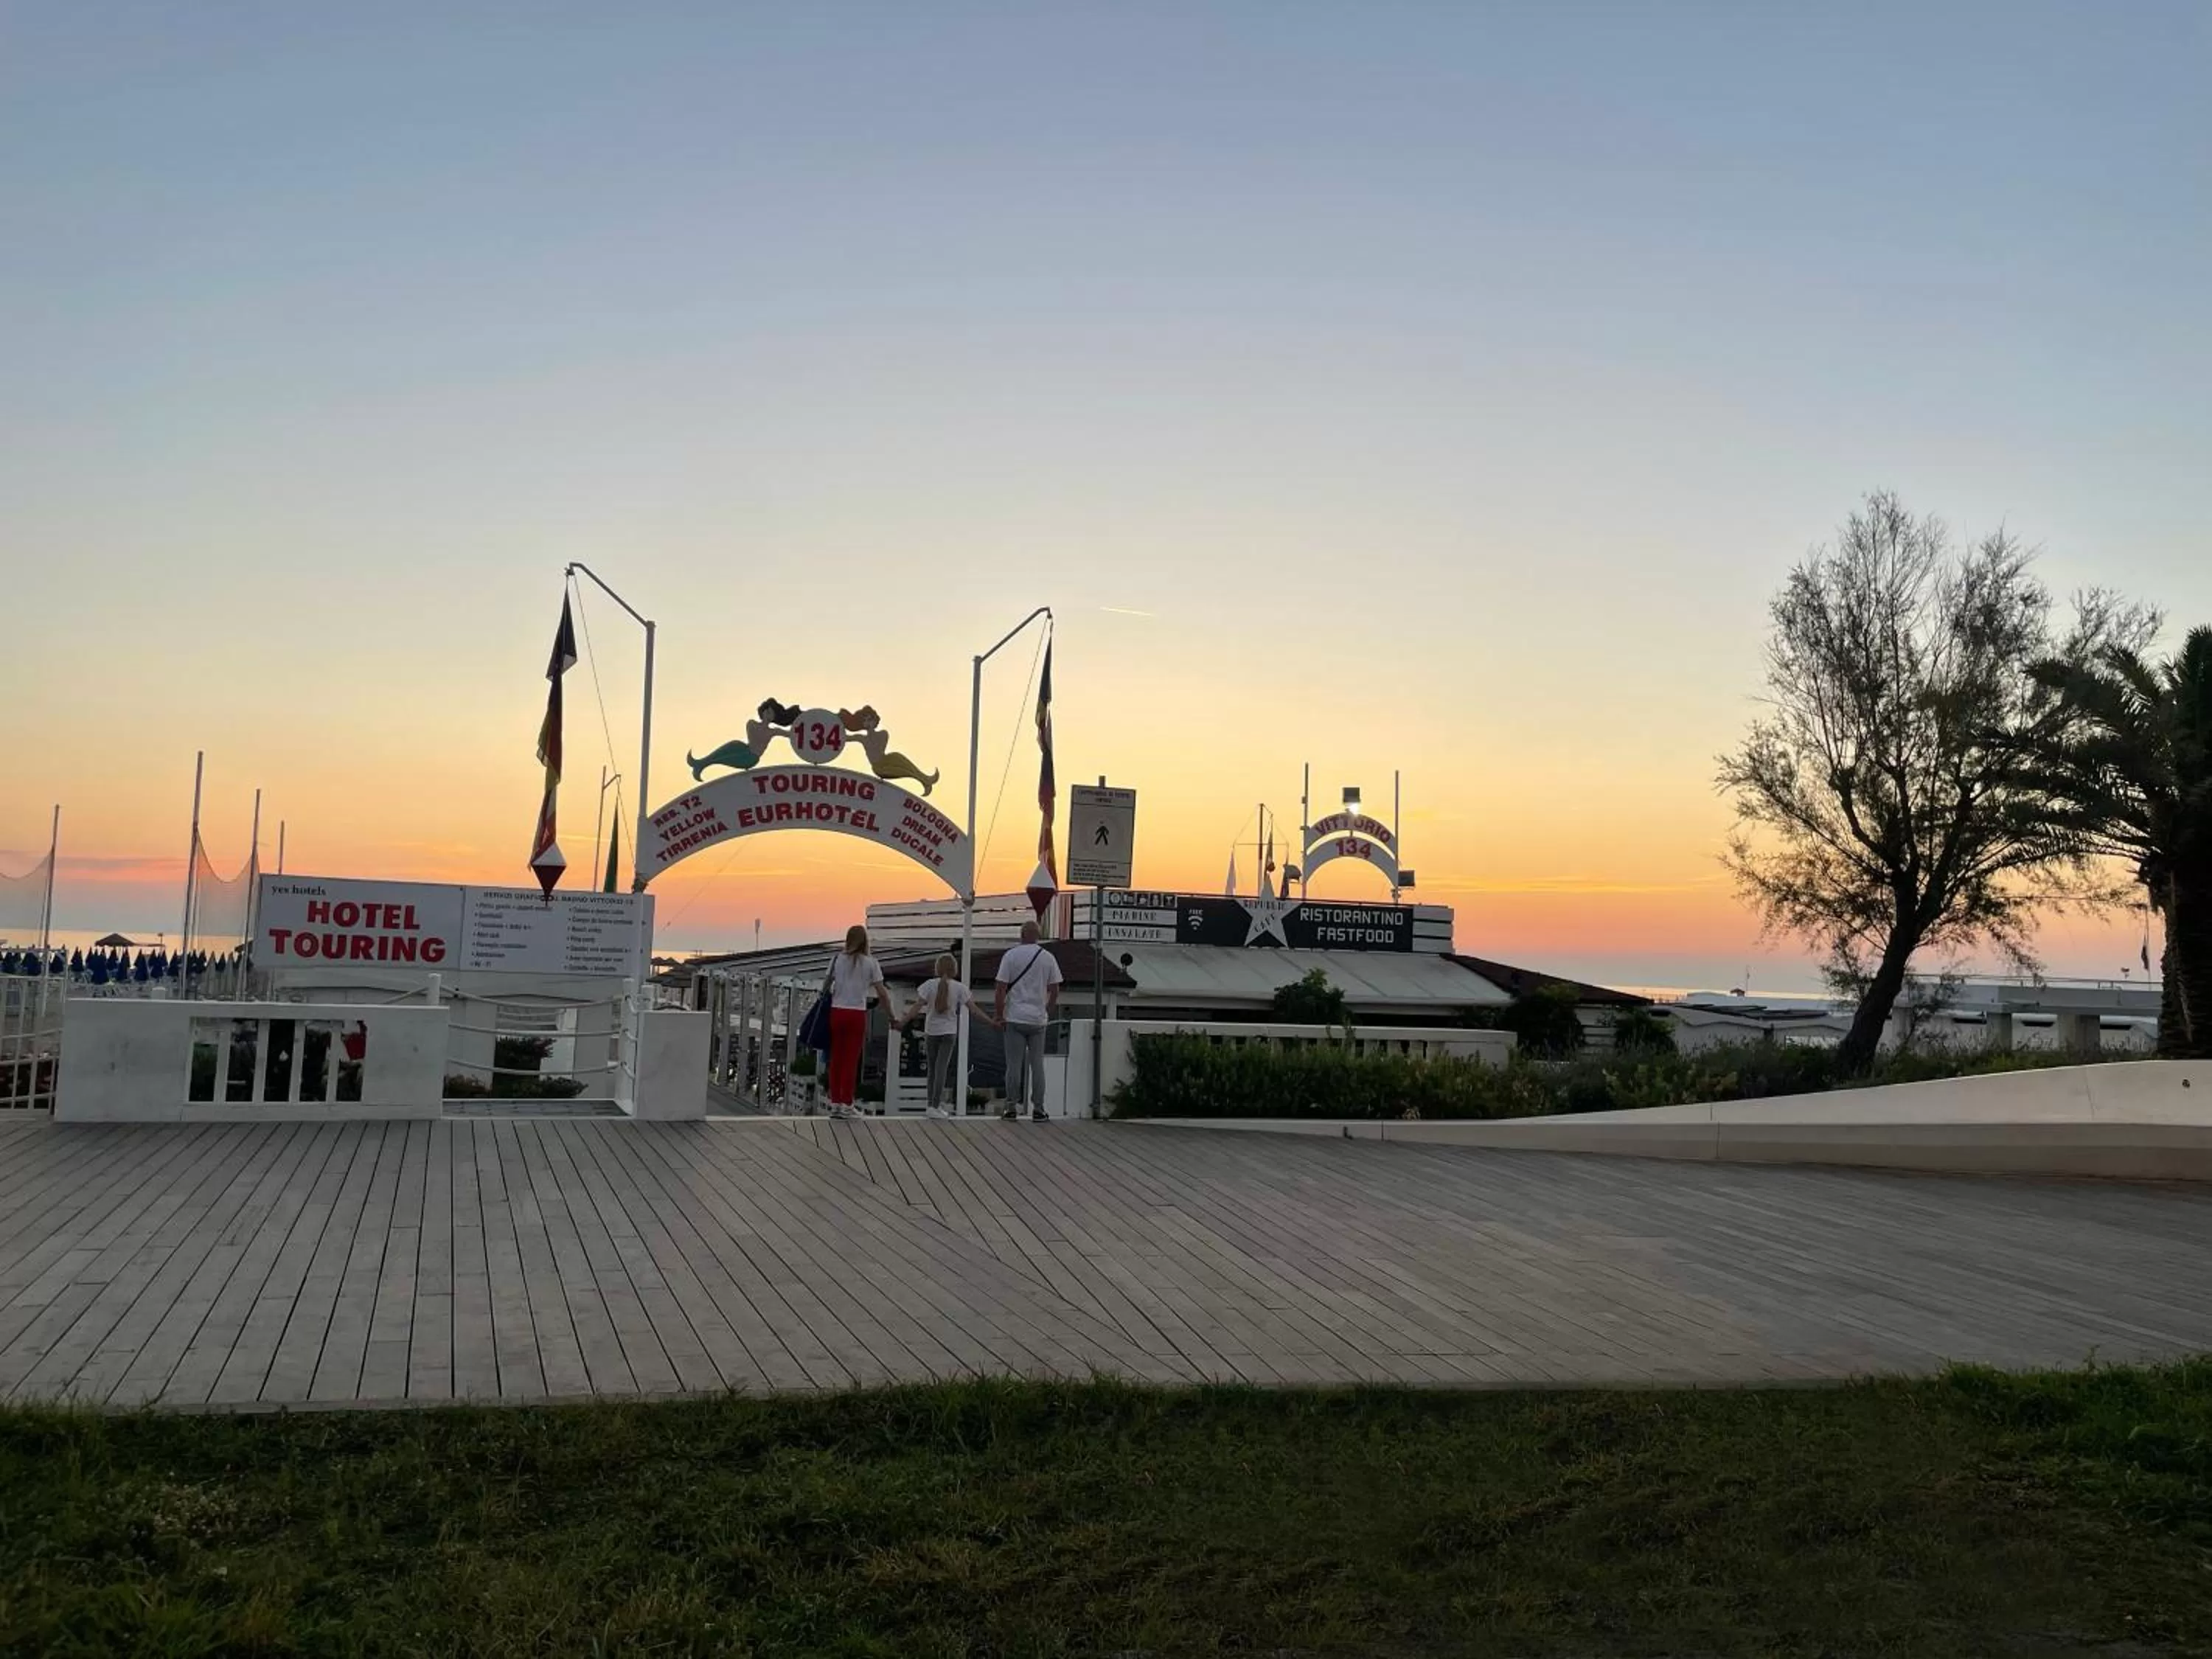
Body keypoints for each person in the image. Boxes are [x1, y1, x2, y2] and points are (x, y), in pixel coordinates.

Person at [992, 921, 1064, 1122]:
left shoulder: (1011, 956)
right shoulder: (1048, 958)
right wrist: (1046, 1011)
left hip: (1015, 1018)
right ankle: (1039, 1109)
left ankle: (1011, 1108)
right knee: (1037, 1065)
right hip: (1038, 1020)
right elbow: (1055, 990)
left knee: (1013, 1066)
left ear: (1022, 935)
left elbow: (1000, 989)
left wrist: (999, 1015)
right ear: (1038, 936)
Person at [824, 924, 894, 1119]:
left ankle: (835, 1103)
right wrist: (891, 1016)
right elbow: (882, 993)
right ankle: (847, 1103)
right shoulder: (871, 963)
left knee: (836, 1058)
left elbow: (826, 985)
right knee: (851, 1060)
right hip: (856, 1014)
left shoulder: (837, 959)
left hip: (837, 1012)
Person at [904, 953, 987, 1117]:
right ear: (954, 969)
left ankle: (930, 1105)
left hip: (931, 1031)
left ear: (938, 968)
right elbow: (974, 1010)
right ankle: (936, 1105)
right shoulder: (960, 988)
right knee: (941, 1069)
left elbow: (917, 1007)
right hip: (949, 1032)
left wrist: (902, 1021)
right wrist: (991, 1022)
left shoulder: (929, 985)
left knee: (932, 1070)